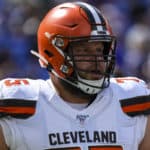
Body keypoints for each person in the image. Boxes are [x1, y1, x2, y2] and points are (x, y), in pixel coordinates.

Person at [0, 1, 150, 150]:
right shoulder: (16, 106)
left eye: (99, 50)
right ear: (52, 52)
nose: (97, 61)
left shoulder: (133, 100)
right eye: (83, 51)